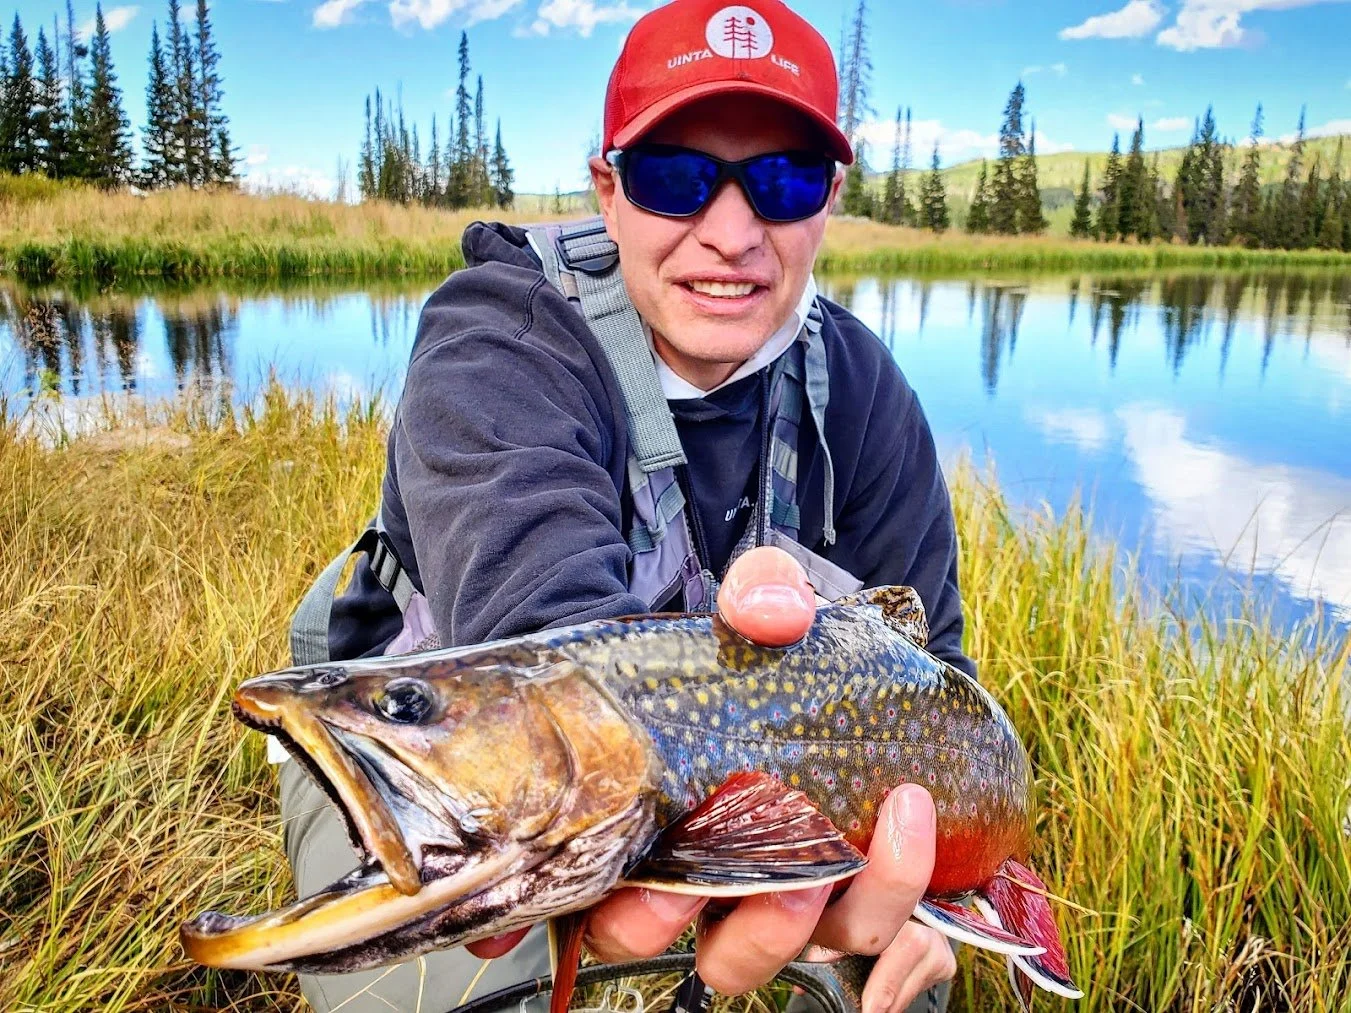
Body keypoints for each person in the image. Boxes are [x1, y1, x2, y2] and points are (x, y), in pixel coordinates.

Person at [279, 1, 974, 1011]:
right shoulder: (499, 340)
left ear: (827, 202)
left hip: (715, 792)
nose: (731, 232)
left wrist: (932, 887)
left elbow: (938, 692)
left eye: (781, 181)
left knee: (896, 980)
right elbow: (547, 657)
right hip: (443, 762)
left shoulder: (864, 397)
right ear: (607, 191)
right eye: (675, 177)